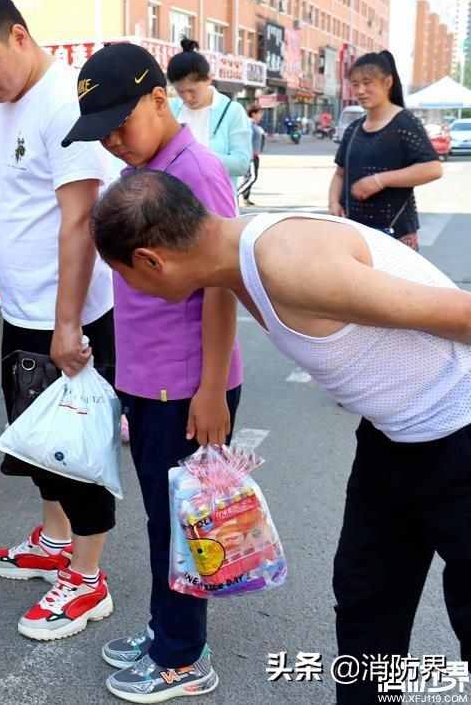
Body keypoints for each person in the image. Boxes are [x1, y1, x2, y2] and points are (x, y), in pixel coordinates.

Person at [91, 169, 471, 705]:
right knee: (366, 605)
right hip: (394, 440)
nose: (129, 291)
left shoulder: (289, 262)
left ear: (152, 260)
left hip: (460, 431)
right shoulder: (230, 258)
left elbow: (462, 313)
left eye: (125, 276)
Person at [62, 42, 241, 702]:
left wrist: (212, 387)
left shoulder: (195, 169)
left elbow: (221, 285)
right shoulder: (148, 163)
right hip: (151, 383)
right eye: (101, 133)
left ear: (160, 98)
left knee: (182, 523)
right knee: (166, 519)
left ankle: (183, 657)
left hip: (190, 385)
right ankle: (169, 629)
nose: (113, 141)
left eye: (120, 124)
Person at [0, 0, 117, 641]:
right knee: (36, 444)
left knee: (75, 450)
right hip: (21, 310)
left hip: (68, 318)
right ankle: (54, 540)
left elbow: (79, 219)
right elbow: (3, 208)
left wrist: (68, 325)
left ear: (19, 36)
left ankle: (88, 578)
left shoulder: (65, 102)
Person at [329, 51, 442, 251]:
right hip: (355, 233)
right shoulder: (353, 129)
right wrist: (333, 203)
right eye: (355, 84)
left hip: (395, 234)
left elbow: (433, 169)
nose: (361, 90)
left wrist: (379, 180)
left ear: (387, 82)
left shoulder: (404, 123)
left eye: (367, 82)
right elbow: (340, 173)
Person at [167, 39, 252, 190]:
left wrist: (195, 159)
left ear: (209, 79)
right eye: (180, 91)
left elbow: (241, 163)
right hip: (173, 204)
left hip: (216, 205)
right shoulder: (170, 109)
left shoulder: (232, 111)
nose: (187, 97)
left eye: (192, 91)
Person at [239, 105, 266, 205]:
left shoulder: (255, 125)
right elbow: (245, 140)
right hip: (250, 155)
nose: (261, 116)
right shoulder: (248, 124)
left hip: (255, 155)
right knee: (251, 177)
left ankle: (246, 198)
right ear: (253, 113)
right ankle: (234, 195)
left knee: (250, 177)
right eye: (260, 114)